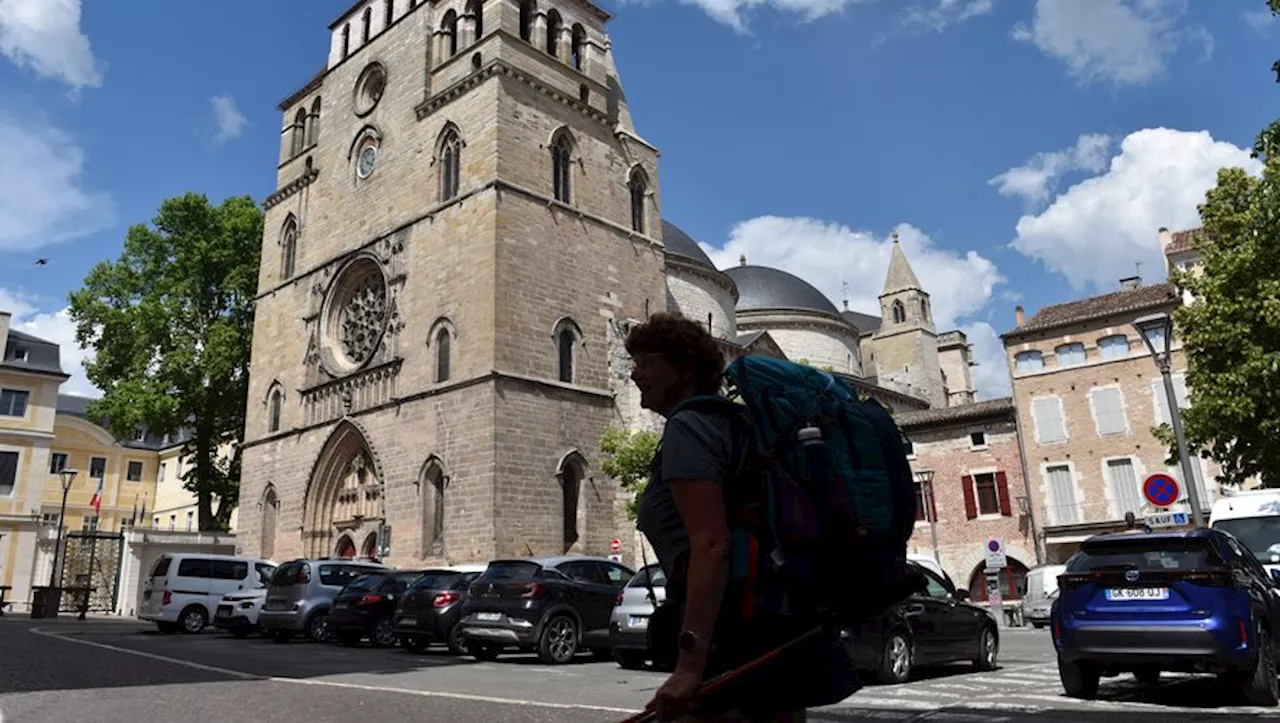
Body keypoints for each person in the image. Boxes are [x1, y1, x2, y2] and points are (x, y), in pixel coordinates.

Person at [626, 312, 861, 723]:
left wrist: (689, 667)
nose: (634, 373)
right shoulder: (741, 424)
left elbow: (712, 546)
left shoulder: (690, 426)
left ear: (682, 367)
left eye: (646, 361)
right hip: (775, 623)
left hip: (732, 631)